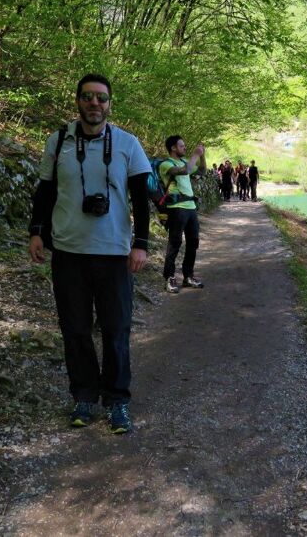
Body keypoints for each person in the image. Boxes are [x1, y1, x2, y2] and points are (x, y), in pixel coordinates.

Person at [28, 73, 152, 435]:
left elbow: (141, 200)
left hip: (114, 251)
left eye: (101, 98)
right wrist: (36, 233)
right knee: (75, 329)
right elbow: (45, 191)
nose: (94, 104)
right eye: (87, 97)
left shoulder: (128, 143)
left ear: (110, 104)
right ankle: (83, 396)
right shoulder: (58, 140)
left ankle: (117, 402)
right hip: (68, 251)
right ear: (78, 101)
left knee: (116, 329)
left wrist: (140, 244)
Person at [159, 135, 206, 293]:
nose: (185, 148)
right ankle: (170, 278)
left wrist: (202, 155)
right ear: (173, 148)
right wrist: (196, 154)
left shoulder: (185, 162)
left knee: (193, 242)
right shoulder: (166, 164)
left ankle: (188, 276)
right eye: (181, 146)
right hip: (176, 208)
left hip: (190, 207)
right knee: (175, 243)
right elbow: (185, 171)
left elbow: (202, 170)